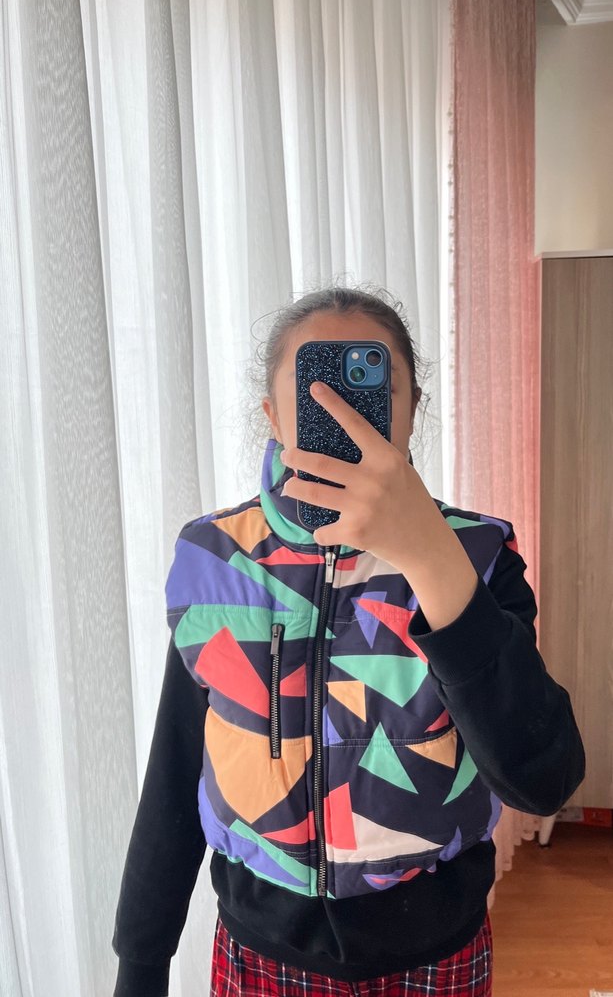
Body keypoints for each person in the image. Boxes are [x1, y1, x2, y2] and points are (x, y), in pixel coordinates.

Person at [112, 285, 585, 997]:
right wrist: (141, 961)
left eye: (369, 388)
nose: (342, 413)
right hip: (258, 950)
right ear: (274, 416)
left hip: (436, 951)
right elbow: (177, 771)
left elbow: (542, 779)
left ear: (413, 408)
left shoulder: (479, 556)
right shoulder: (217, 560)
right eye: (315, 392)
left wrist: (430, 559)